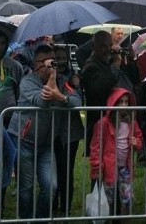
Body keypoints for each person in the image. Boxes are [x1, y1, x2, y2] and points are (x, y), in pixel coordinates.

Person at [8, 44, 82, 219]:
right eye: (50, 61)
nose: (53, 64)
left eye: (54, 61)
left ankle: (40, 219)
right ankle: (25, 219)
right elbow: (41, 101)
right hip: (23, 140)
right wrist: (53, 79)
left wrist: (62, 97)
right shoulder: (27, 81)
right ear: (38, 64)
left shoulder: (62, 83)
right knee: (26, 188)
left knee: (51, 187)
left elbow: (77, 101)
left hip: (46, 144)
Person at [89, 87, 143, 217]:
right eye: (120, 102)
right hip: (108, 169)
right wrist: (97, 166)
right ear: (113, 103)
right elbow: (95, 147)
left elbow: (139, 138)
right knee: (108, 200)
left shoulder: (132, 122)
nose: (124, 105)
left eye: (126, 102)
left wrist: (137, 143)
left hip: (125, 168)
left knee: (127, 200)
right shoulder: (103, 123)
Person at [51, 45, 85, 216]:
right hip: (50, 132)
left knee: (67, 171)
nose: (61, 61)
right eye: (57, 58)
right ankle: (52, 206)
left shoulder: (71, 79)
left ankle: (65, 209)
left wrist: (76, 86)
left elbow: (78, 102)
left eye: (63, 58)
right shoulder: (47, 77)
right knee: (53, 172)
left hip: (70, 132)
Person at [81, 30, 119, 155]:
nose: (107, 49)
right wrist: (115, 67)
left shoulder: (107, 61)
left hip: (113, 120)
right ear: (93, 47)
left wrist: (128, 61)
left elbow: (133, 79)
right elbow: (100, 88)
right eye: (103, 46)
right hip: (98, 121)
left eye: (109, 45)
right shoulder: (90, 66)